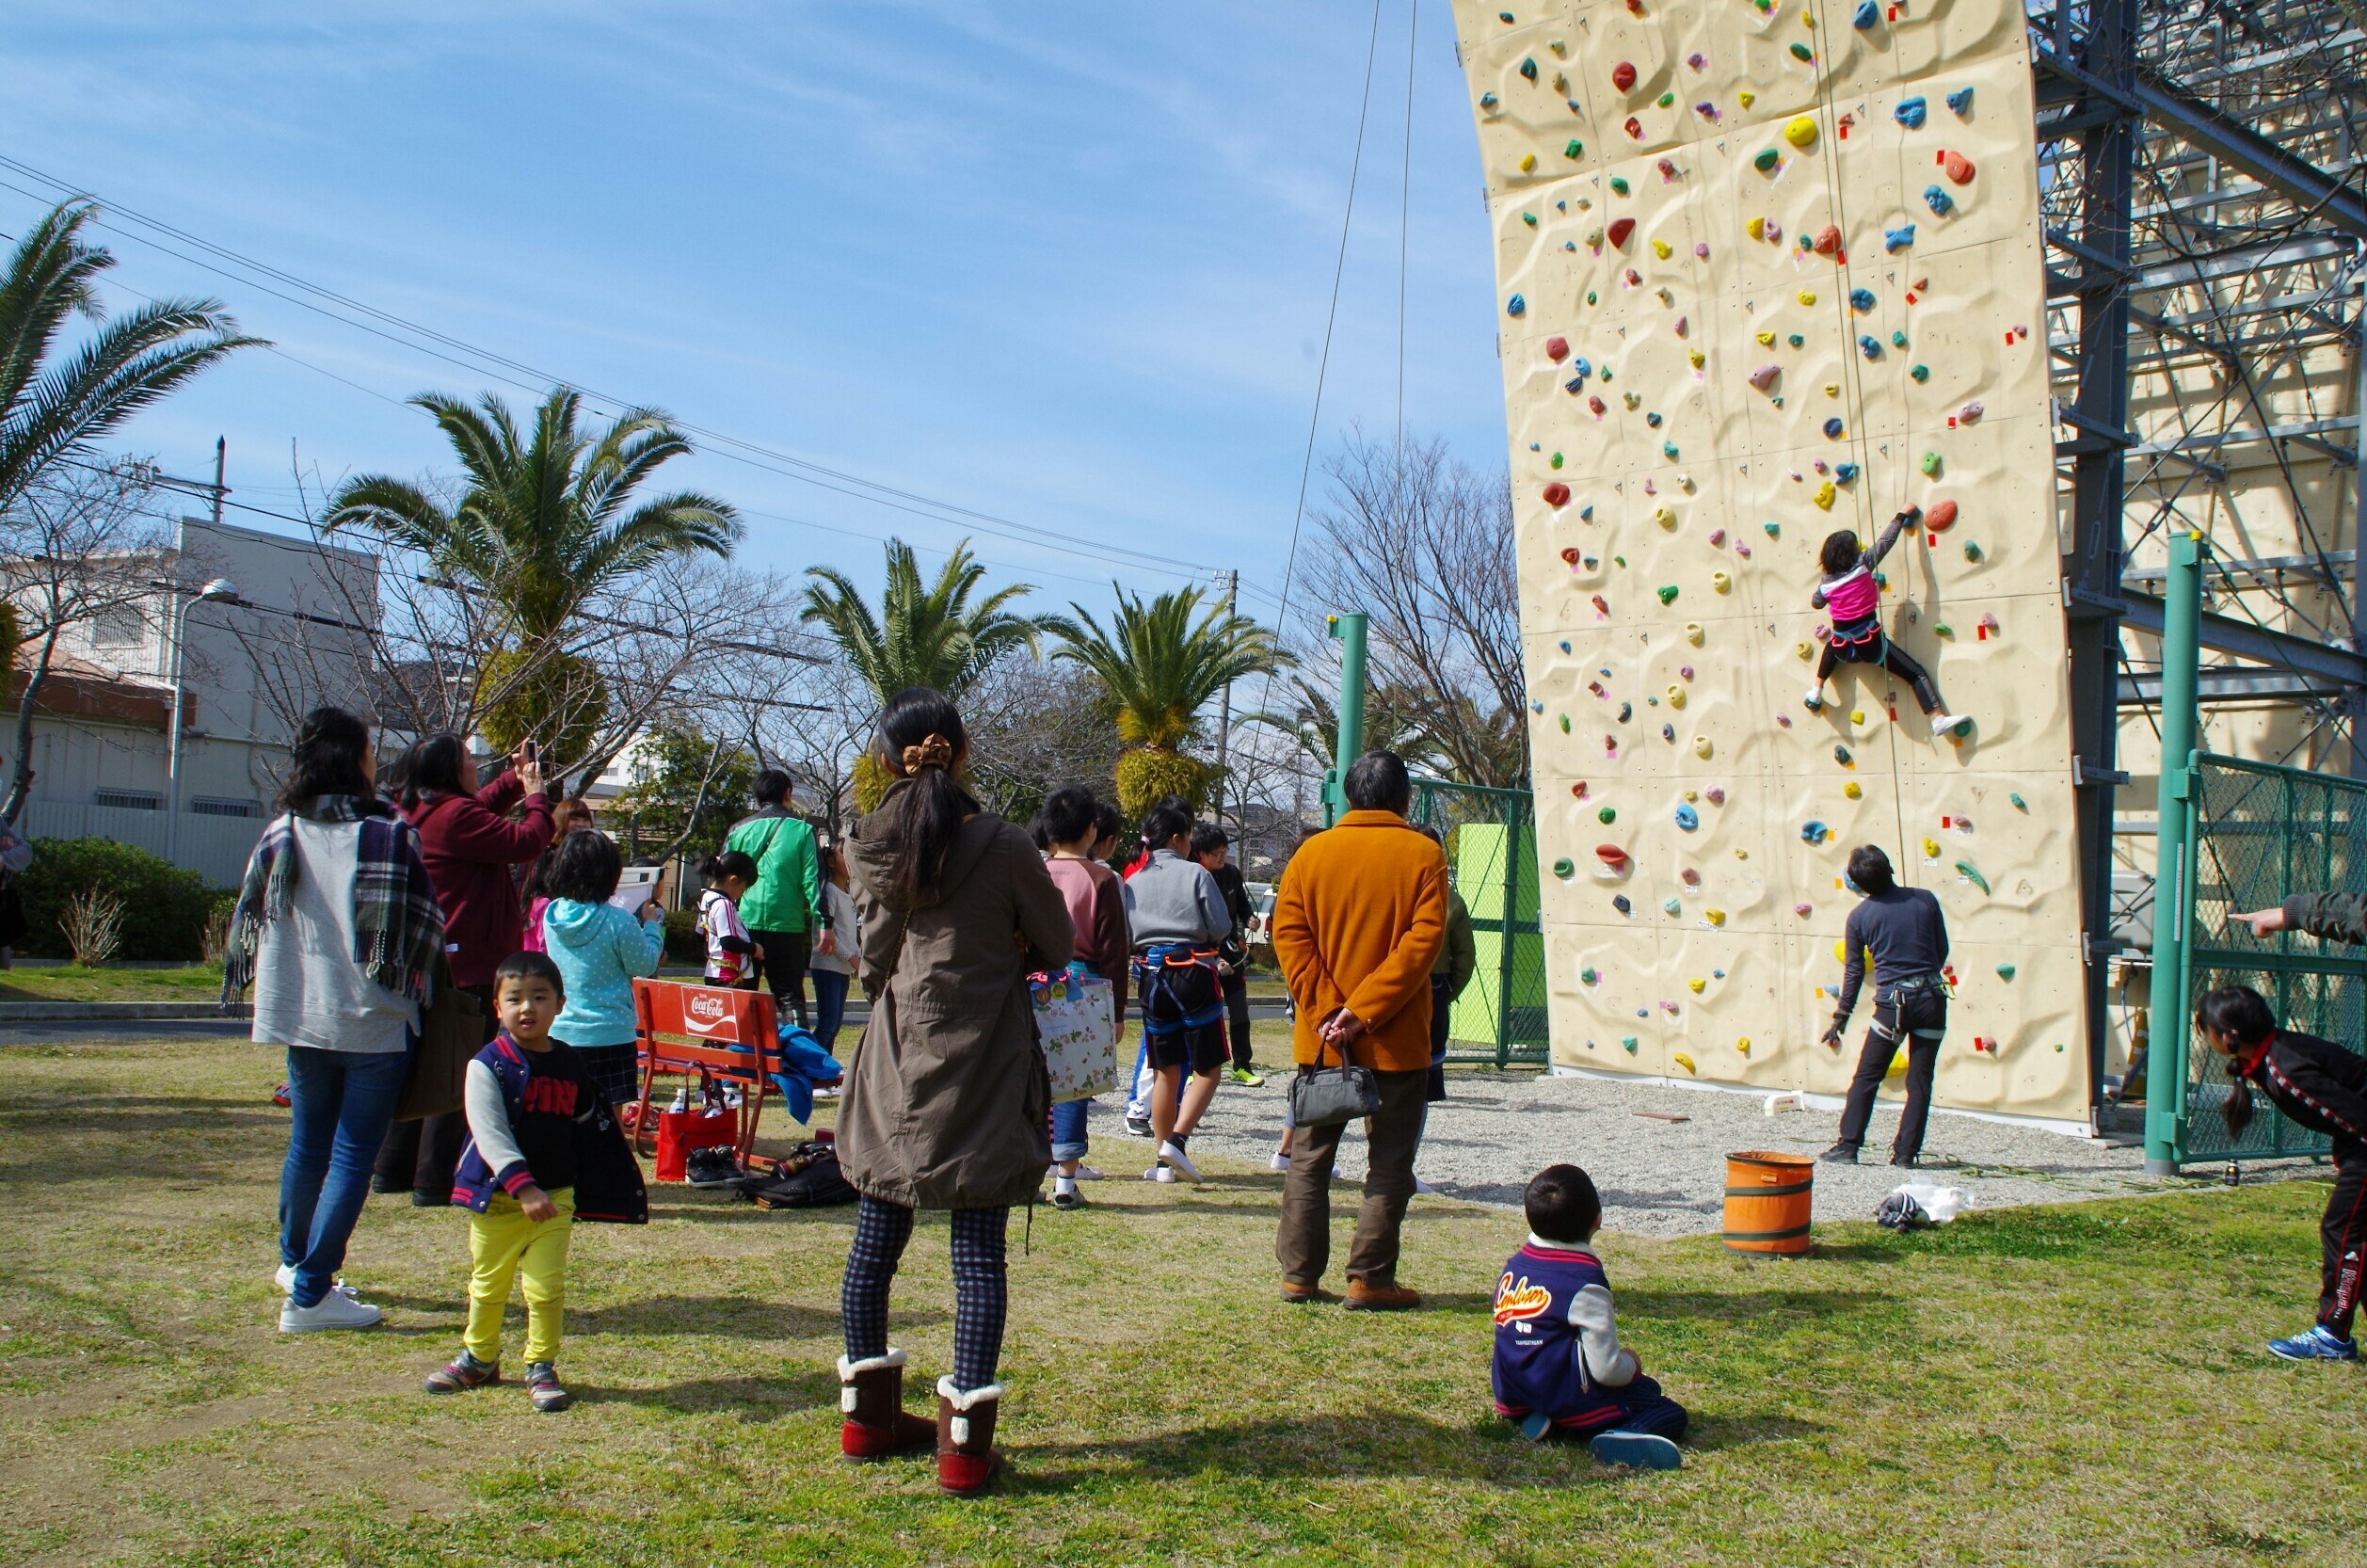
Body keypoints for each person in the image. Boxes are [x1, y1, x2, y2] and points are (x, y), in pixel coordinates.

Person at [834, 687, 1072, 1495]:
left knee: (874, 1242)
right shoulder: (1003, 843)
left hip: (896, 1057)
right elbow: (1057, 942)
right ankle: (964, 1449)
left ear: (883, 759)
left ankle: (867, 1421)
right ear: (962, 752)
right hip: (986, 1059)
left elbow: (872, 960)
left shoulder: (867, 841)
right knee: (976, 1257)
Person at [223, 707, 442, 1332]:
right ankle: (311, 1295)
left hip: (302, 1013)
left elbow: (251, 917)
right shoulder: (390, 833)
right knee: (350, 1159)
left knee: (308, 1147)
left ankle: (296, 1266)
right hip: (374, 1015)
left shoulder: (282, 831)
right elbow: (424, 927)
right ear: (355, 758)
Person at [428, 950, 648, 1412]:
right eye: (515, 998)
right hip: (499, 1201)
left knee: (546, 1288)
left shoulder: (569, 1063)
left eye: (540, 997)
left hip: (555, 1198)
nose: (527, 1007)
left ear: (560, 1004)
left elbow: (589, 1124)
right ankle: (479, 1358)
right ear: (497, 1007)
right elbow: (489, 1132)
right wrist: (522, 1186)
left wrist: (610, 1175)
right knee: (488, 1285)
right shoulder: (487, 1065)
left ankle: (541, 1365)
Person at [1270, 750, 1447, 1310]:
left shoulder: (1311, 854)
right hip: (1396, 1038)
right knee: (1389, 1164)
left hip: (1324, 1043)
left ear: (1349, 797)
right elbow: (1423, 944)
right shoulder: (1424, 855)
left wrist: (1328, 1010)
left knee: (1309, 1158)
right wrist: (1365, 1009)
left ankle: (1298, 1276)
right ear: (1405, 799)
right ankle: (1370, 1279)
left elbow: (1288, 935)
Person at [374, 733, 553, 1205]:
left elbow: (479, 807)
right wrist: (536, 797)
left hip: (437, 956)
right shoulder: (455, 815)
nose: (475, 765)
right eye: (468, 759)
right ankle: (433, 1181)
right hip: (468, 960)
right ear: (450, 771)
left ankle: (391, 1168)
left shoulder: (420, 808)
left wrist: (514, 779)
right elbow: (528, 840)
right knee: (458, 1072)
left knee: (423, 1063)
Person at [2191, 984, 2367, 1361]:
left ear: (2228, 1036)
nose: (2204, 1036)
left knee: (2343, 1231)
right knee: (2356, 1237)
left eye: (2204, 1028)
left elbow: (2358, 1117)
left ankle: (2332, 1336)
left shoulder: (2288, 1069)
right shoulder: (2271, 1057)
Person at [1492, 1164, 1686, 1469]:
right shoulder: (1582, 1281)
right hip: (1561, 1390)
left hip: (1515, 1390)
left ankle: (1549, 1420)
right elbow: (1606, 1370)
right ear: (1597, 1219)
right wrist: (1632, 1364)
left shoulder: (1515, 1265)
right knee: (1667, 1410)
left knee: (1646, 1388)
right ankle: (1620, 1436)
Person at [1821, 844, 1950, 1168]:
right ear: (1890, 869)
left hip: (1894, 1005)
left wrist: (1841, 1017)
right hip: (1932, 999)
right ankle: (1906, 1154)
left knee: (1867, 1077)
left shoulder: (1859, 917)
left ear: (1858, 884)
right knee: (1920, 1081)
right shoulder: (1925, 900)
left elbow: (1854, 972)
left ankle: (1848, 1146)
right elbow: (1941, 950)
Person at [1124, 801, 1233, 1185]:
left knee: (1164, 1071)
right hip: (1192, 971)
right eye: (1188, 837)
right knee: (1209, 1067)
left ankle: (1162, 1162)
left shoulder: (1133, 881)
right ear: (1176, 838)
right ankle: (1178, 1140)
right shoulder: (1195, 873)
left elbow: (1127, 935)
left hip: (1151, 977)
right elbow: (1220, 925)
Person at [1040, 785, 1128, 1208]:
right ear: (1091, 830)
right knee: (1073, 1080)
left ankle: (1031, 1168)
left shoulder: (1034, 871)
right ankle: (1066, 1179)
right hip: (1082, 984)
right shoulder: (1101, 878)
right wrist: (1119, 1012)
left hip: (1033, 980)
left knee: (1033, 1078)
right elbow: (1114, 950)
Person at [1806, 512, 1971, 734]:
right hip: (1870, 645)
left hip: (1843, 647)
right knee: (1915, 674)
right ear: (1851, 552)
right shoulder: (1863, 564)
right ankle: (1937, 719)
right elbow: (1886, 541)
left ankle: (1816, 690)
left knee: (1831, 646)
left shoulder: (1826, 585)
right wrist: (1901, 515)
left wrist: (1827, 588)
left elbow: (1816, 603)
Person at [539, 829, 668, 1111]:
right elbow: (644, 964)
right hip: (611, 1032)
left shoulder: (552, 915)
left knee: (565, 1113)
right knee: (608, 1121)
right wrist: (652, 925)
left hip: (561, 1030)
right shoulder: (618, 920)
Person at [725, 769, 827, 1030]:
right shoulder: (802, 830)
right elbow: (814, 880)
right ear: (787, 793)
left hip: (743, 924)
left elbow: (721, 879)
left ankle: (733, 1051)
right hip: (786, 925)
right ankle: (797, 1050)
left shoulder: (738, 830)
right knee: (790, 997)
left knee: (740, 993)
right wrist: (824, 923)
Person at [1192, 823, 1263, 1088]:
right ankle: (1196, 1067)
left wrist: (1250, 919)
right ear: (1201, 853)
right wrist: (1214, 958)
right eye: (1217, 853)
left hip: (1232, 950)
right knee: (1202, 1014)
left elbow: (1242, 905)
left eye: (1225, 851)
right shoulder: (1193, 876)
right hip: (1202, 953)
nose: (1222, 857)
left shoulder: (1231, 873)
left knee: (1239, 1010)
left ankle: (1242, 1065)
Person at [519, 798, 594, 955]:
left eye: (585, 820)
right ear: (561, 820)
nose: (580, 824)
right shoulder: (545, 851)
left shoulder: (590, 856)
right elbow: (524, 883)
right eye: (574, 819)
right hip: (546, 920)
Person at [805, 842, 860, 1056]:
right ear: (830, 861)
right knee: (827, 1025)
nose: (849, 859)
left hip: (842, 967)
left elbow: (849, 933)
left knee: (834, 1025)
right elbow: (829, 935)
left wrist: (857, 957)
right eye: (843, 854)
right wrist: (852, 958)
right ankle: (812, 1066)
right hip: (827, 965)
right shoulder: (828, 890)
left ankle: (824, 1067)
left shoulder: (848, 893)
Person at [696, 851, 761, 987]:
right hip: (731, 976)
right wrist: (754, 948)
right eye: (744, 887)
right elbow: (728, 942)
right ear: (733, 880)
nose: (742, 893)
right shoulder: (724, 904)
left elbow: (700, 935)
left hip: (714, 972)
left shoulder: (706, 899)